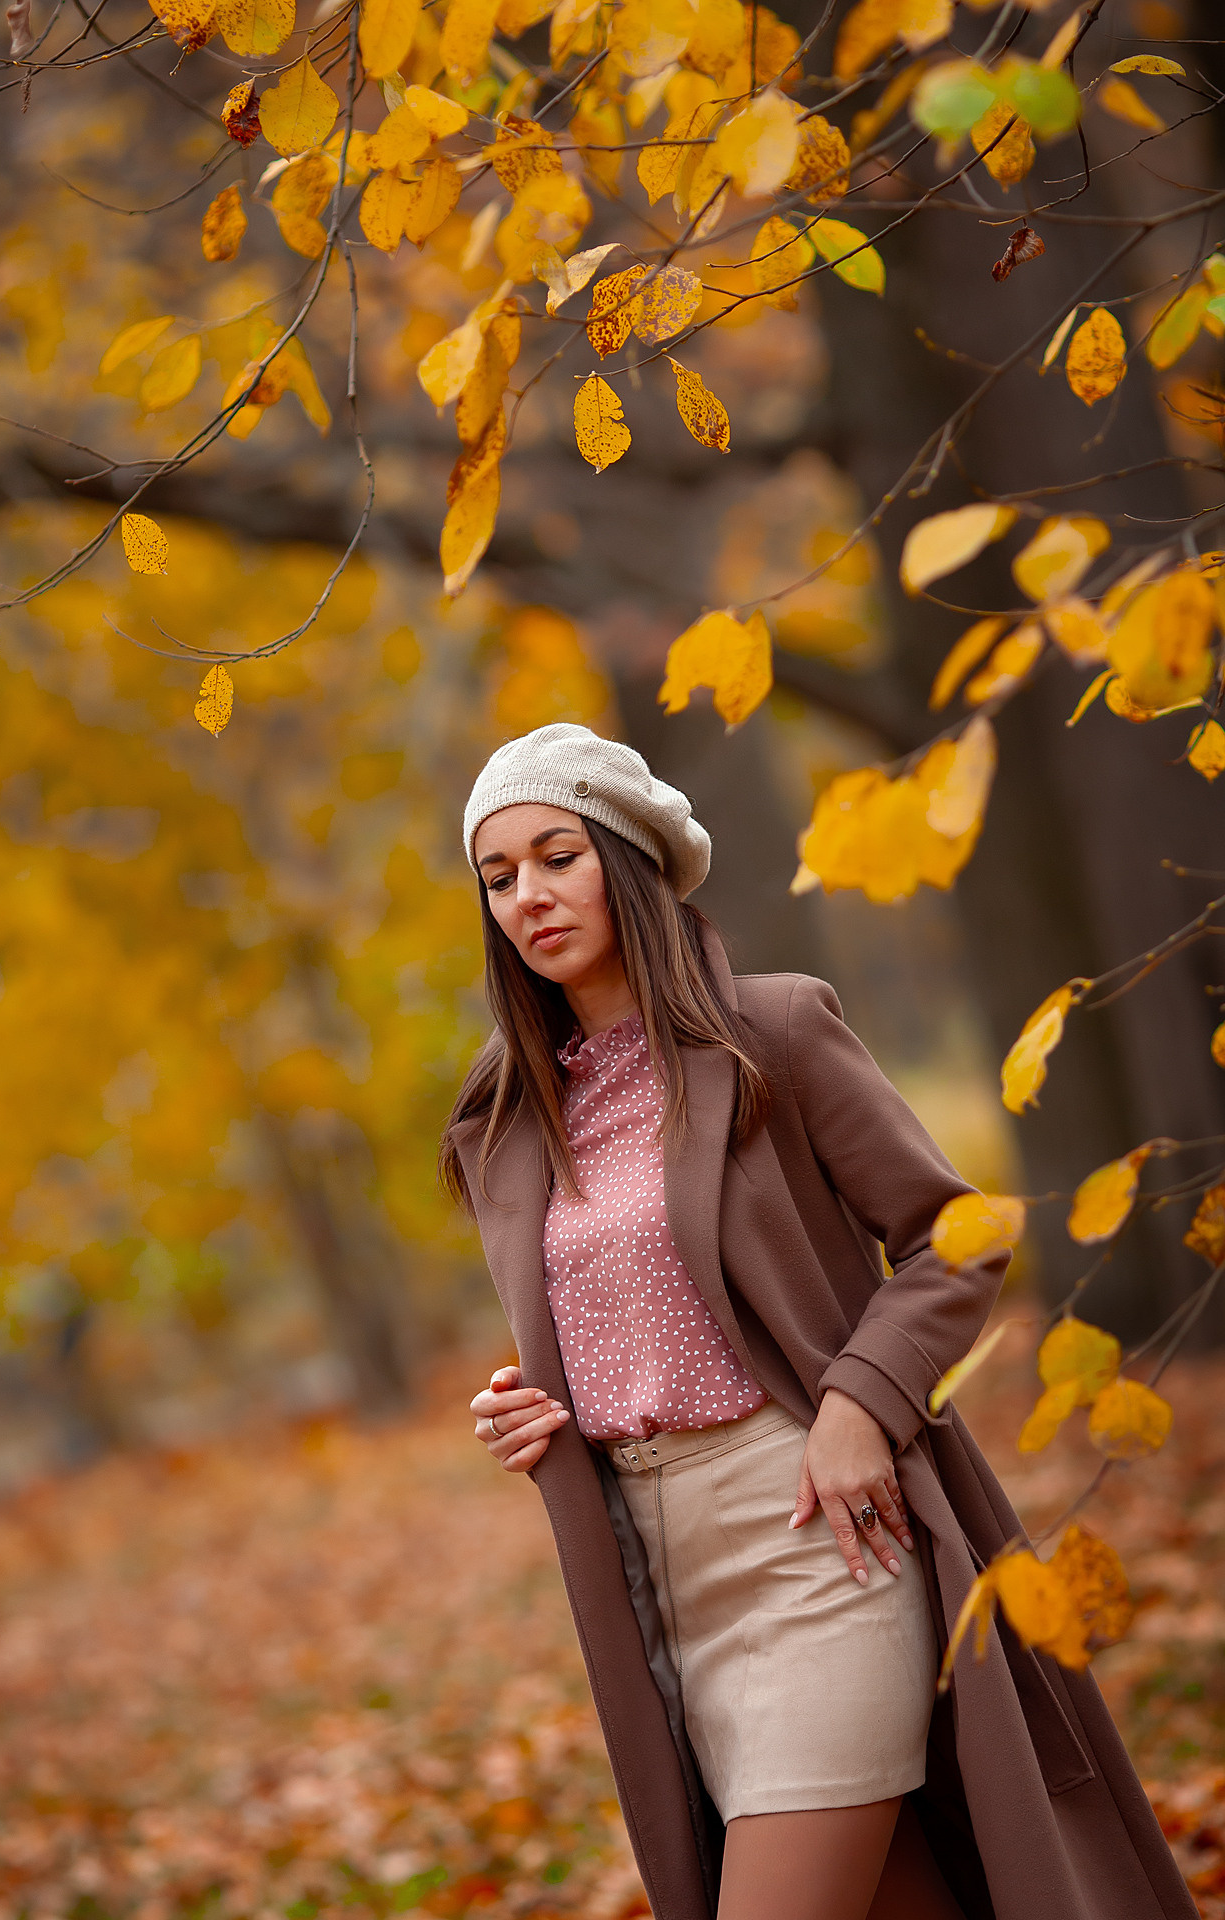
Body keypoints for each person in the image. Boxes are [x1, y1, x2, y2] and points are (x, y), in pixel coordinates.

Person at [439, 723, 1194, 1920]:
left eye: (556, 856)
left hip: (813, 1540)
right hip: (656, 1576)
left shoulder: (771, 1035)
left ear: (628, 861)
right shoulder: (504, 1121)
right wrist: (530, 1413)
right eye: (497, 877)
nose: (526, 896)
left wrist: (855, 1404)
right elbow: (612, 1316)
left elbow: (960, 1234)